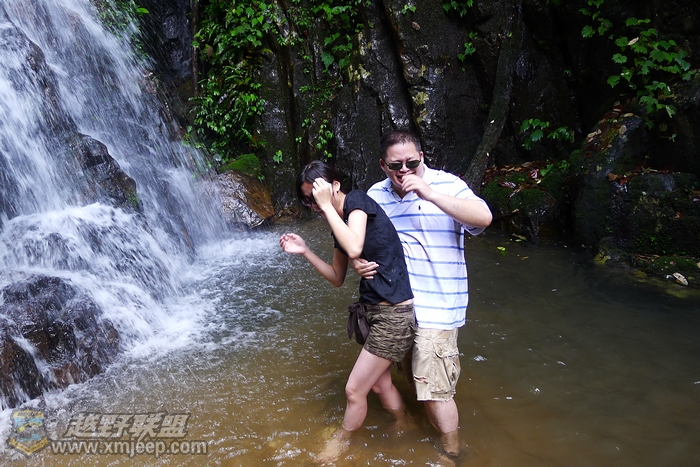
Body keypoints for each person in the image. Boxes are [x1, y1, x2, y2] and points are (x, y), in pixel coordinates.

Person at [354, 130, 492, 465]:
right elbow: (364, 240)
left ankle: (452, 451)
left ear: (422, 158)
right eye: (395, 165)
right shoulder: (375, 194)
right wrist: (358, 260)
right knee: (413, 379)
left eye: (411, 163)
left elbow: (484, 218)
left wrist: (429, 193)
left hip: (438, 306)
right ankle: (411, 427)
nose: (404, 171)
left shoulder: (447, 184)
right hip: (397, 307)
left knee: (434, 389)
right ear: (383, 165)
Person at [279, 160, 416, 464]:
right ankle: (404, 422)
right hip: (374, 312)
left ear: (336, 186)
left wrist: (327, 206)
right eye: (308, 200)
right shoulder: (339, 221)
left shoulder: (357, 201)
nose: (314, 205)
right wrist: (306, 251)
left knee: (354, 390)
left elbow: (354, 247)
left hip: (394, 314)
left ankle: (341, 443)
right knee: (379, 383)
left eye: (316, 196)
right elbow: (336, 277)